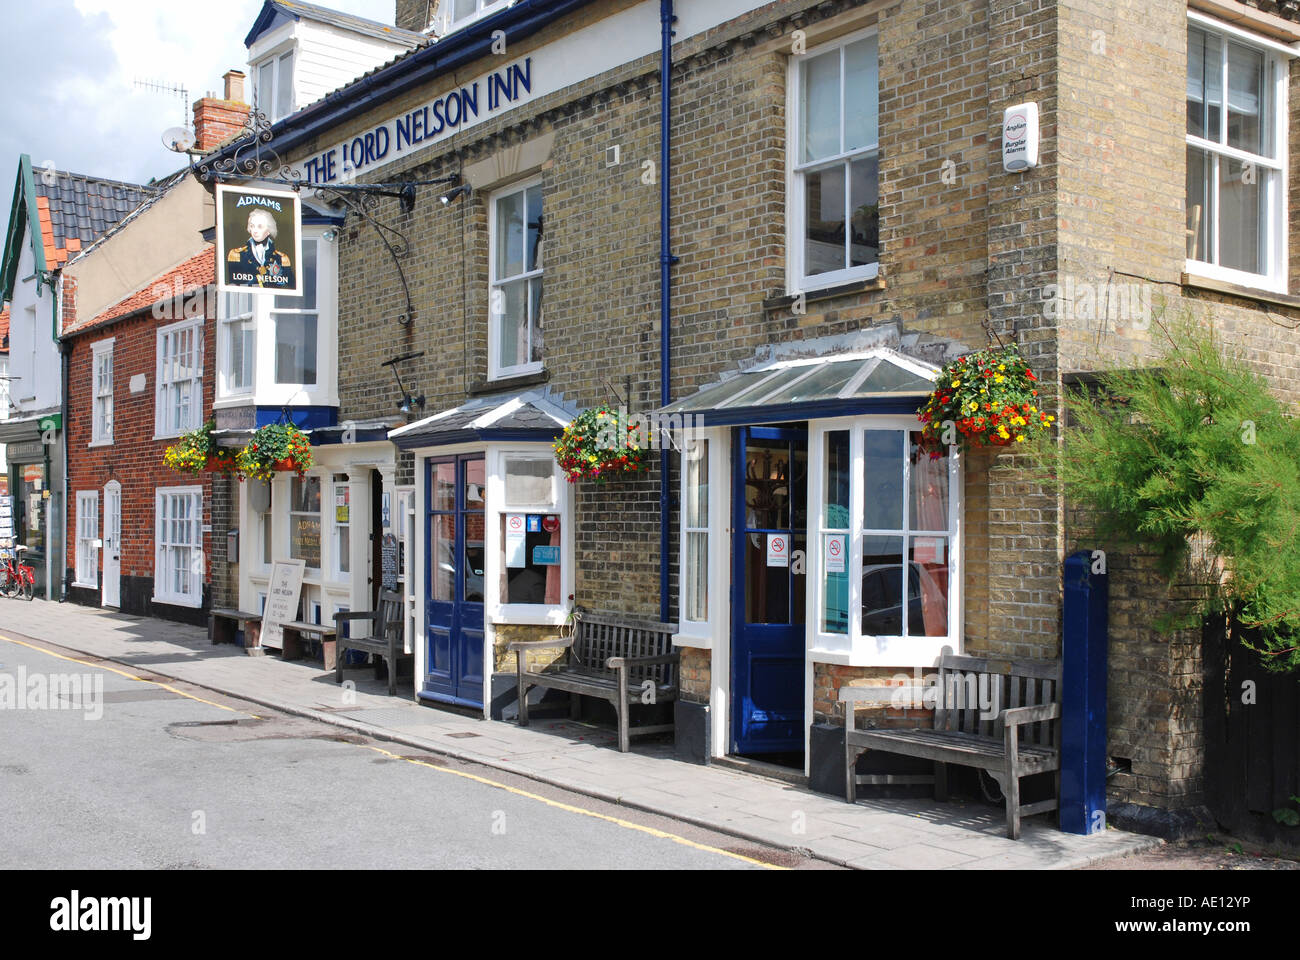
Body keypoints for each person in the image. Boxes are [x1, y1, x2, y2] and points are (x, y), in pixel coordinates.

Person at [226, 208, 295, 289]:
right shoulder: (237, 255)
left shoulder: (281, 258)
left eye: (260, 227)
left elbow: (290, 287)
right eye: (252, 226)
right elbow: (232, 286)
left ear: (269, 230)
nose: (255, 230)